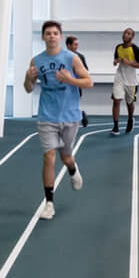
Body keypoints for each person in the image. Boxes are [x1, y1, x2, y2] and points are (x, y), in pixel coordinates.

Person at [24, 21, 92, 221]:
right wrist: (28, 78)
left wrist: (70, 80)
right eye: (48, 33)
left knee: (66, 157)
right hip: (47, 115)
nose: (52, 36)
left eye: (55, 33)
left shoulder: (72, 58)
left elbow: (89, 82)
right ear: (43, 37)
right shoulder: (37, 61)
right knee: (49, 157)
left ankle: (72, 169)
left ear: (60, 37)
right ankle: (49, 203)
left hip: (70, 115)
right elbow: (28, 88)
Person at [111, 28, 139, 135]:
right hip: (119, 77)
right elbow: (116, 60)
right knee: (116, 100)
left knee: (129, 103)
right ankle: (115, 126)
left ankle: (130, 118)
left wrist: (129, 63)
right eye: (124, 32)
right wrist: (116, 61)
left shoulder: (136, 50)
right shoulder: (118, 47)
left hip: (131, 80)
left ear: (132, 37)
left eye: (128, 33)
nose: (125, 34)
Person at [64, 36, 92, 128]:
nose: (77, 46)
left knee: (72, 104)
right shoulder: (61, 56)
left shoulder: (80, 57)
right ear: (68, 45)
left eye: (77, 44)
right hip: (64, 85)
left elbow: (85, 71)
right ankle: (78, 115)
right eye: (75, 44)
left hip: (76, 85)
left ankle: (80, 115)